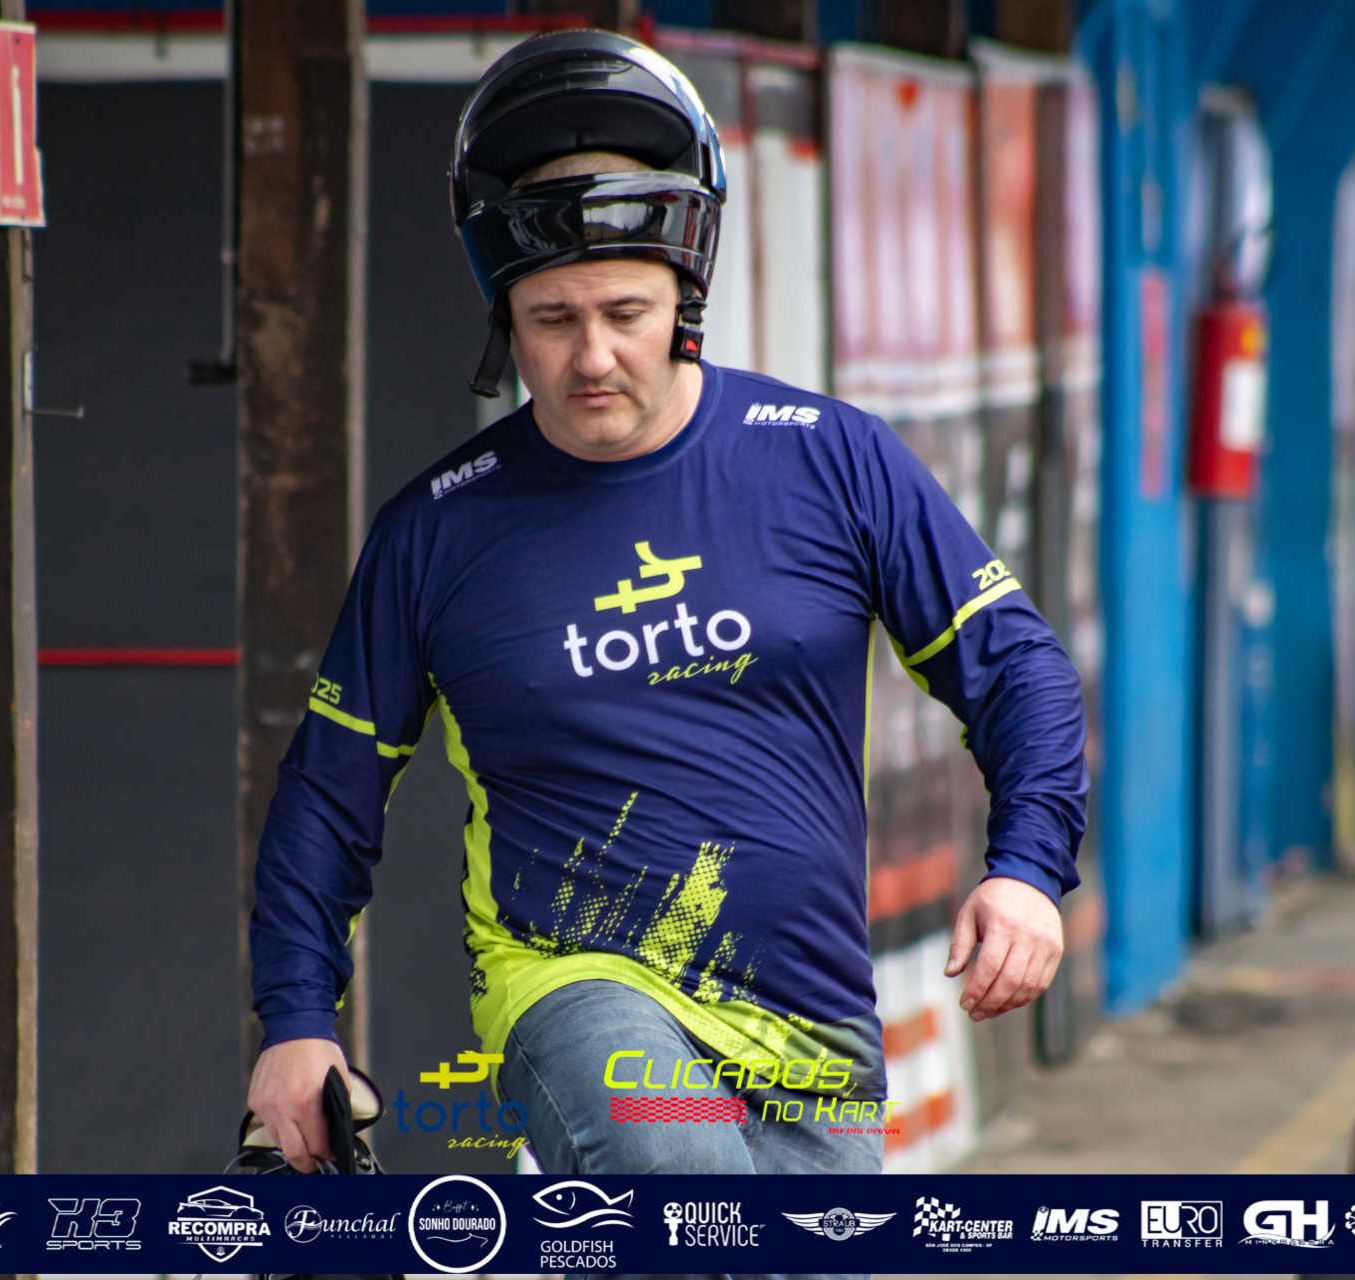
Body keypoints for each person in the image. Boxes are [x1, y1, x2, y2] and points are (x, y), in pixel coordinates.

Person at [246, 27, 1087, 1204]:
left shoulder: (830, 460)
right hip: (572, 985)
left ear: (686, 297)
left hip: (813, 1029)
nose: (592, 355)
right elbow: (327, 794)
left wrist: (1029, 868)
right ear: (504, 316)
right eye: (552, 317)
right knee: (690, 1195)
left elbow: (1017, 668)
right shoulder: (434, 533)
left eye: (625, 311)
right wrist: (297, 1018)